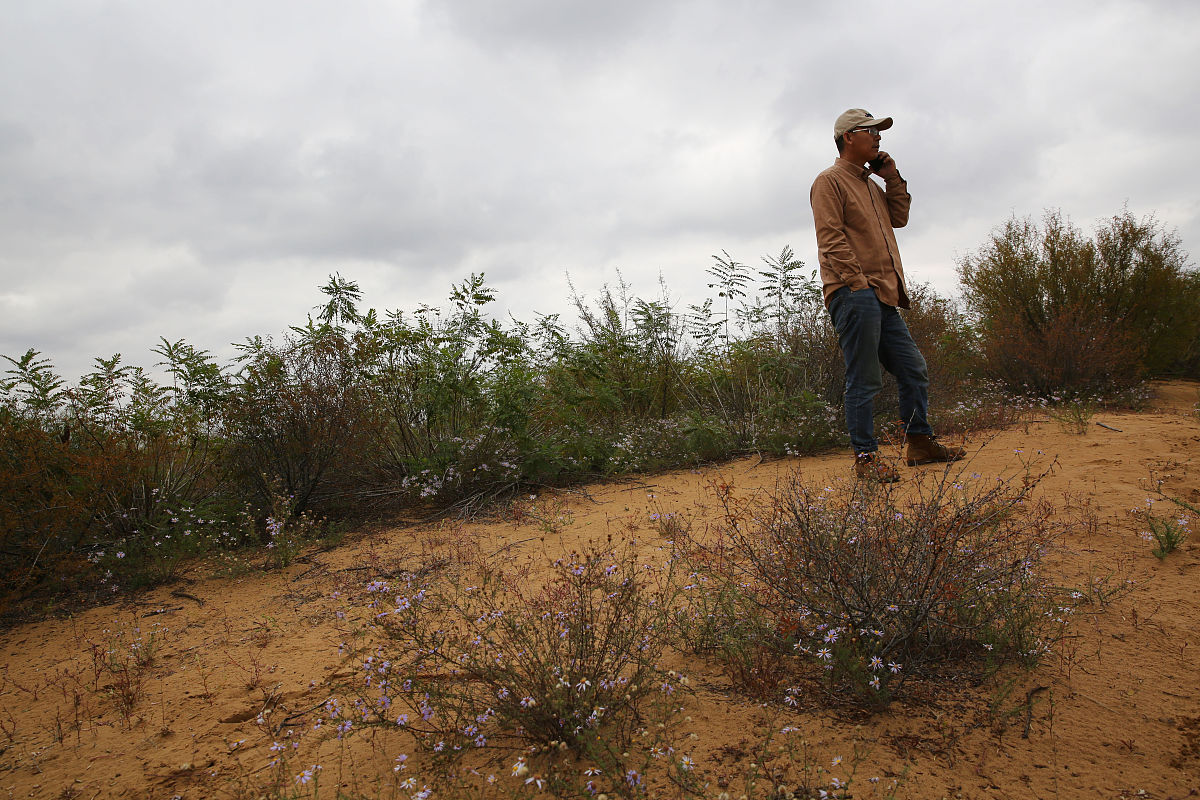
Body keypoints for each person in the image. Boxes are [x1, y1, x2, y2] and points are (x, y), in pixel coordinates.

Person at [810, 108, 964, 482]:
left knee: (914, 368)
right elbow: (830, 238)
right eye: (871, 131)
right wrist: (857, 282)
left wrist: (892, 176)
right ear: (849, 137)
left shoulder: (871, 185)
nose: (878, 138)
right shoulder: (829, 181)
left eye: (880, 133)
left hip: (884, 295)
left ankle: (920, 443)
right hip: (854, 293)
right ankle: (865, 459)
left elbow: (900, 216)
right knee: (864, 379)